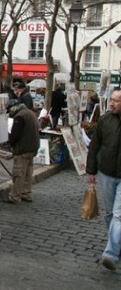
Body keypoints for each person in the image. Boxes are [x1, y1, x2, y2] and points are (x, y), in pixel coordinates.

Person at [86, 88, 121, 271]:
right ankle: (117, 243)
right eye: (112, 99)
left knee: (118, 214)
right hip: (107, 172)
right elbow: (94, 145)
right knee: (109, 214)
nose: (112, 103)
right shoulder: (105, 119)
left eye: (117, 100)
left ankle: (111, 254)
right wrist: (91, 170)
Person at [6, 98, 40, 204]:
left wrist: (11, 143)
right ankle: (26, 193)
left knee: (19, 173)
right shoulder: (30, 112)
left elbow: (15, 135)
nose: (10, 113)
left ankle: (15, 196)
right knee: (27, 173)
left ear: (14, 107)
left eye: (10, 110)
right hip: (32, 148)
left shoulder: (20, 116)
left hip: (23, 149)